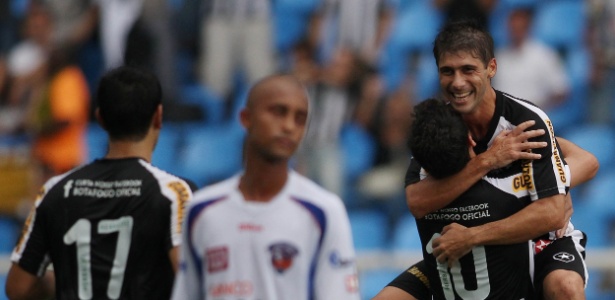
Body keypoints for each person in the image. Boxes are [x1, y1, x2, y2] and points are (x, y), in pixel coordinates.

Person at [402, 20, 592, 300]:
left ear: (491, 67)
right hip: (465, 250)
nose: (457, 82)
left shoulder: (526, 121)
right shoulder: (439, 124)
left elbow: (553, 211)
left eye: (468, 69)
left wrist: (472, 235)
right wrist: (489, 160)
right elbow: (417, 201)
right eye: (447, 71)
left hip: (534, 242)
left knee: (565, 288)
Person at [373, 98, 598, 300]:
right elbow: (586, 163)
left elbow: (415, 201)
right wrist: (557, 188)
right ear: (470, 140)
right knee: (566, 288)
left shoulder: (422, 180)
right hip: (472, 262)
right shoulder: (505, 184)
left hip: (454, 263)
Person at [5, 66, 193, 299]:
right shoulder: (172, 193)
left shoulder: (55, 190)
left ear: (100, 118)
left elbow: (18, 288)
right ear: (158, 116)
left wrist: (67, 284)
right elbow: (191, 283)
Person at [171, 74, 360, 300]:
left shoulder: (325, 211)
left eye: (300, 119)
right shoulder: (202, 210)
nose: (289, 126)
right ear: (245, 118)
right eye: (278, 112)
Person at [492, 6, 570, 111]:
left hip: (532, 117)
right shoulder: (499, 56)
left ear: (528, 27)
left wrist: (538, 107)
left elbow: (561, 91)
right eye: (513, 27)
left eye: (520, 27)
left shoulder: (544, 55)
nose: (516, 31)